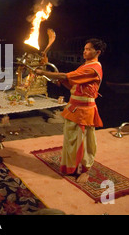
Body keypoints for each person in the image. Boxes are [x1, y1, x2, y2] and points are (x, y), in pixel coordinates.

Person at [35, 38, 107, 183]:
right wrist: (58, 80)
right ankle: (71, 168)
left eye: (88, 49)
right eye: (85, 48)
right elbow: (73, 86)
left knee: (84, 143)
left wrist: (43, 72)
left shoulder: (93, 68)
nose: (84, 51)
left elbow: (65, 75)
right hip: (74, 107)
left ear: (97, 52)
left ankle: (84, 170)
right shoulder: (85, 66)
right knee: (71, 141)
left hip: (84, 110)